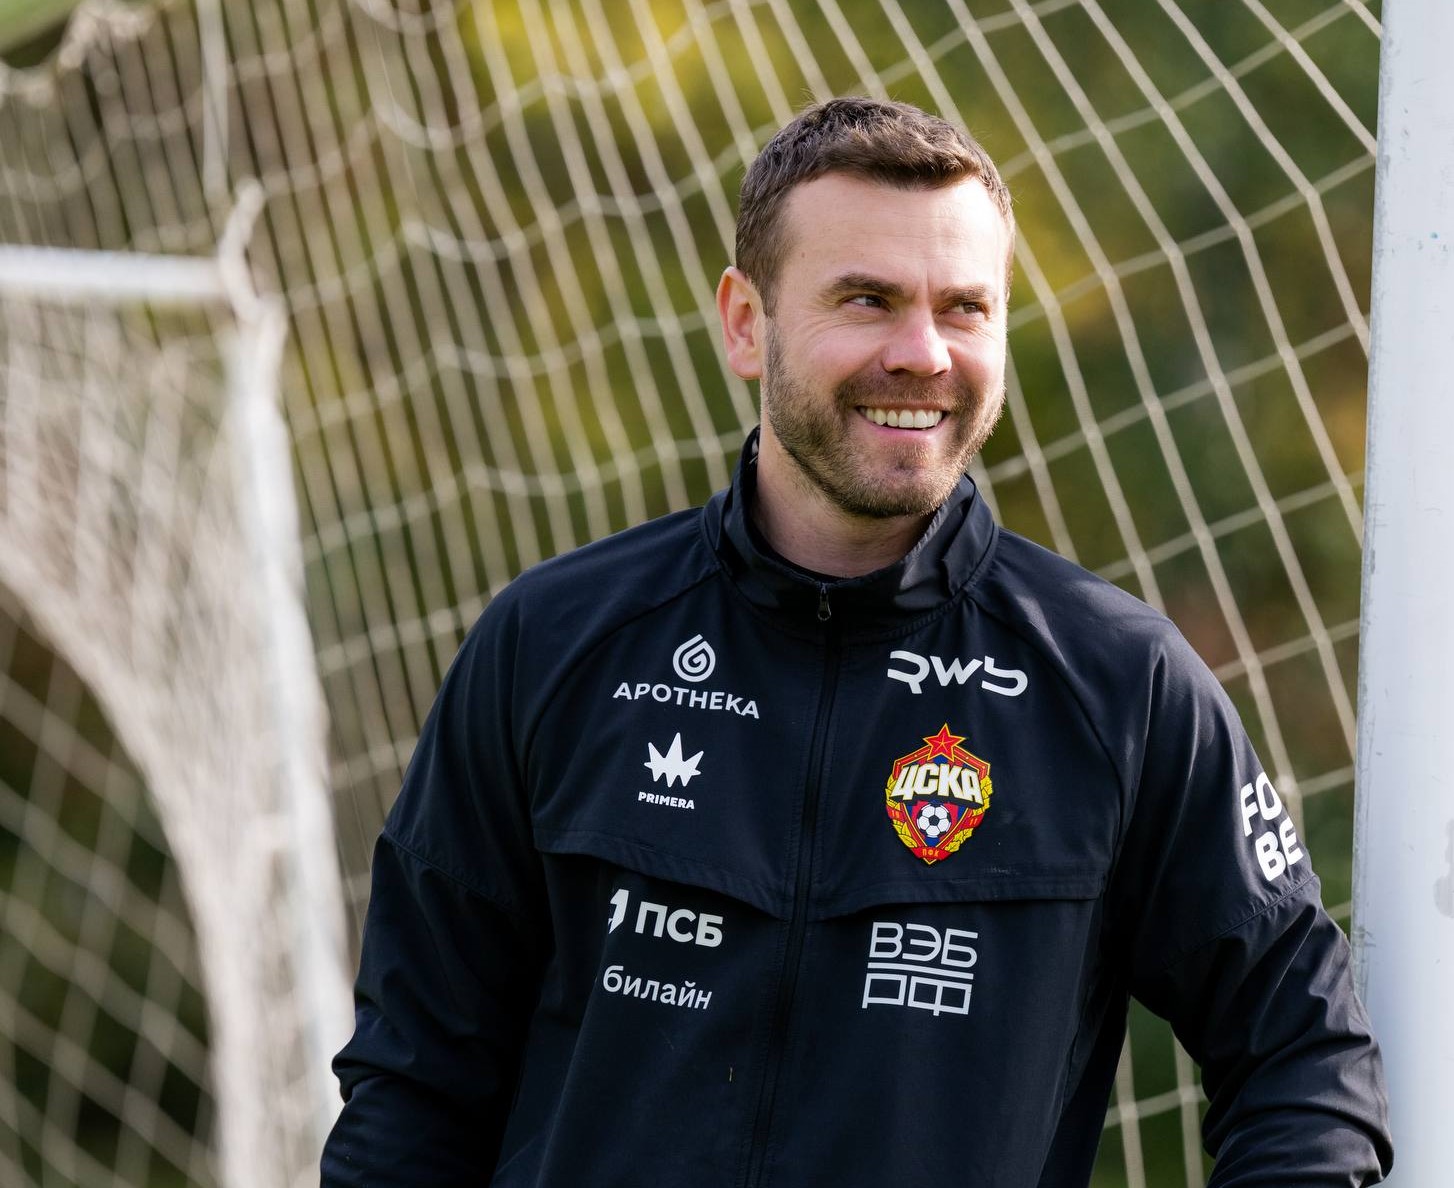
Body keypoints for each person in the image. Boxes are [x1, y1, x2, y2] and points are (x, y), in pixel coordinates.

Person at [322, 96, 1392, 1187]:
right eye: (867, 300)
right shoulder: (553, 644)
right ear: (746, 323)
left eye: (963, 308)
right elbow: (412, 1088)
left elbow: (1303, 1059)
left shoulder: (1118, 685)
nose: (922, 354)